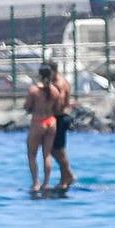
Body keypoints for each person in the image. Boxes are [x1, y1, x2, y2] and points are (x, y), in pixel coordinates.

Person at [23, 64, 58, 195]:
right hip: (51, 121)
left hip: (38, 122)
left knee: (32, 155)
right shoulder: (54, 90)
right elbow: (57, 106)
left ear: (39, 75)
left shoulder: (34, 90)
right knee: (47, 155)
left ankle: (36, 183)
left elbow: (27, 106)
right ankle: (47, 183)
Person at [48, 62, 76, 192]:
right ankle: (66, 176)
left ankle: (67, 177)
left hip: (60, 118)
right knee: (57, 150)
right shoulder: (62, 81)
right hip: (60, 117)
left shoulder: (58, 84)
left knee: (57, 150)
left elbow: (61, 102)